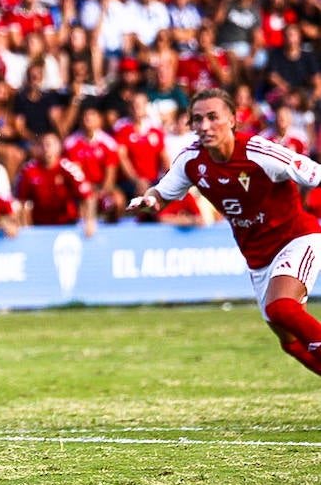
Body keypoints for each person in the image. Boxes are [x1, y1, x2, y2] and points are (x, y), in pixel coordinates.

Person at [128, 88, 321, 380]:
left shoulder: (259, 152)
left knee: (280, 306)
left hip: (296, 238)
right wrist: (150, 201)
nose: (204, 126)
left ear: (232, 119)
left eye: (212, 117)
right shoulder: (192, 161)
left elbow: (312, 172)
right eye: (197, 119)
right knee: (290, 342)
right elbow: (162, 193)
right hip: (257, 256)